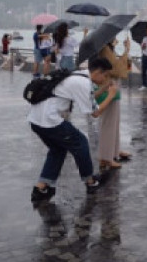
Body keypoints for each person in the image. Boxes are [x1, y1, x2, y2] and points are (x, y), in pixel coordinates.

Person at [29, 57, 110, 201]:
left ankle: (41, 188)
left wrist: (103, 88)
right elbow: (95, 113)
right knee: (81, 143)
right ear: (97, 72)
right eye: (105, 75)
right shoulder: (83, 83)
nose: (106, 78)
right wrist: (110, 95)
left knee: (58, 149)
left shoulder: (76, 75)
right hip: (50, 121)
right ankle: (90, 182)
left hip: (35, 119)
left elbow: (87, 99)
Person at [96, 38, 133, 169]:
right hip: (109, 86)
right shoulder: (105, 49)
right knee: (109, 123)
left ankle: (113, 151)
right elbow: (116, 68)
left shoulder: (108, 48)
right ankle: (106, 157)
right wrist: (126, 50)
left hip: (112, 86)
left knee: (114, 122)